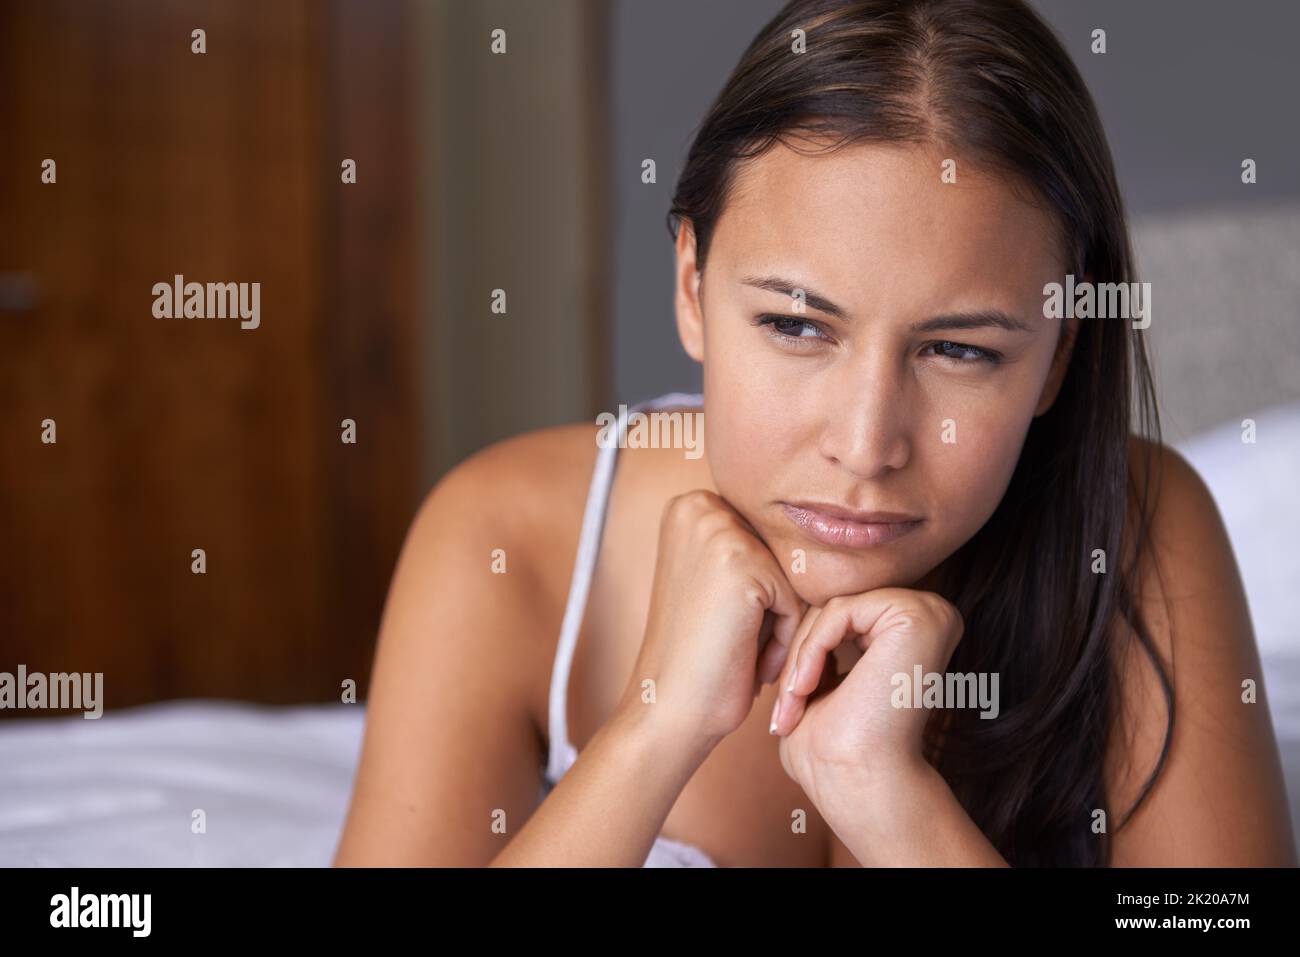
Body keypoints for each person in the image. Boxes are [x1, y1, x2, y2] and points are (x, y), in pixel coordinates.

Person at [334, 0, 1296, 866]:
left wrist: (893, 802)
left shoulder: (1136, 531)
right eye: (797, 326)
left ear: (1054, 359)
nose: (868, 443)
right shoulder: (507, 540)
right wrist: (653, 728)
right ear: (692, 287)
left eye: (959, 350)